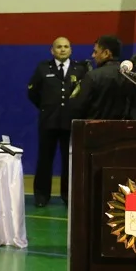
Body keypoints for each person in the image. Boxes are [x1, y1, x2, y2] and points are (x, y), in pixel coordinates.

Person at [28, 37, 89, 207]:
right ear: (52, 50)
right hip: (48, 121)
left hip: (70, 121)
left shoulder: (80, 69)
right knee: (44, 159)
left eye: (66, 47)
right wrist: (46, 107)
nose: (62, 49)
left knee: (69, 160)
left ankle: (68, 195)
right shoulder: (43, 68)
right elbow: (32, 92)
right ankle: (41, 195)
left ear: (71, 50)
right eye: (59, 47)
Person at [70, 35, 132, 120]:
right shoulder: (130, 77)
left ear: (106, 53)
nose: (92, 55)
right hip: (121, 129)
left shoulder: (92, 76)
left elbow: (78, 108)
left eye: (95, 52)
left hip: (93, 128)